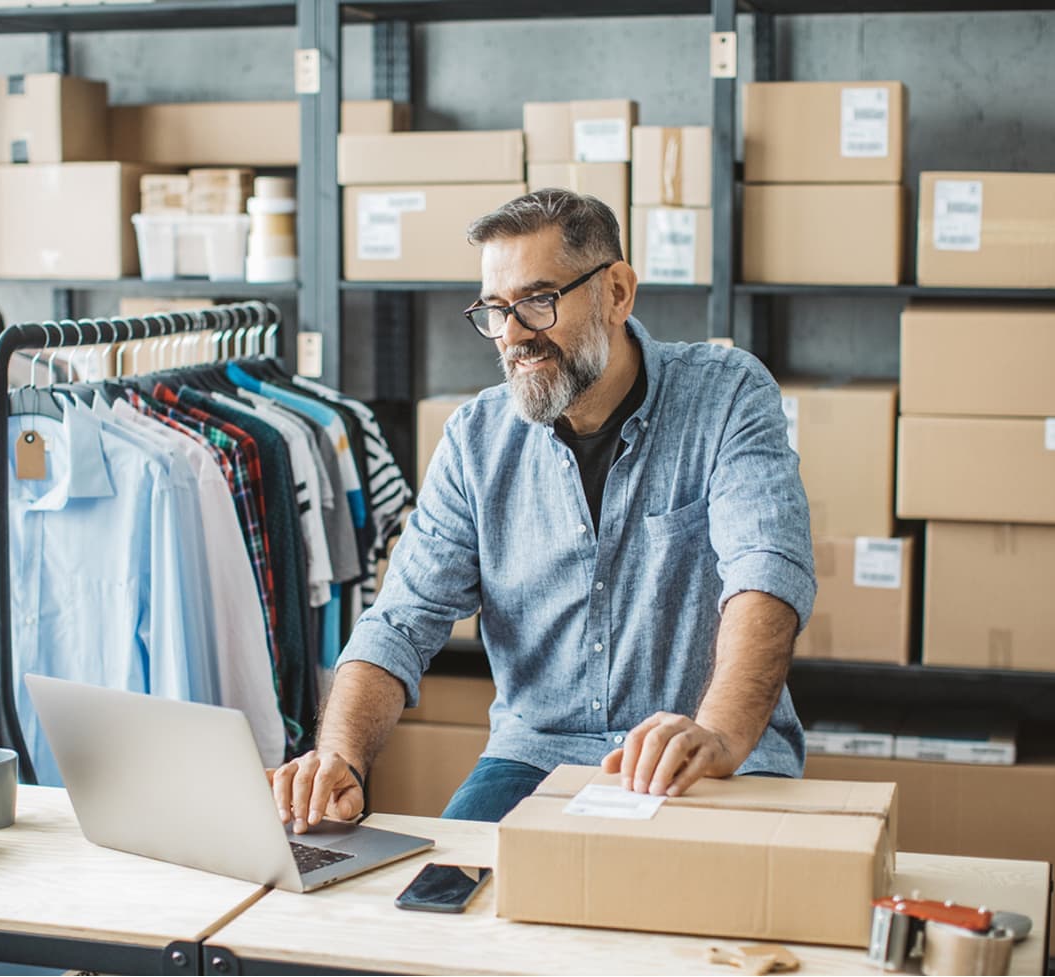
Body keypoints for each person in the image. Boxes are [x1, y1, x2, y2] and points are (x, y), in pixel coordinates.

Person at [271, 188, 815, 832]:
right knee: (445, 904)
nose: (513, 336)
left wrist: (721, 733)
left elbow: (766, 573)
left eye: (537, 301)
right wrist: (339, 756)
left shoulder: (727, 395)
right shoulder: (476, 439)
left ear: (617, 292)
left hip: (703, 754)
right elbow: (400, 621)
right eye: (495, 311)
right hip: (535, 760)